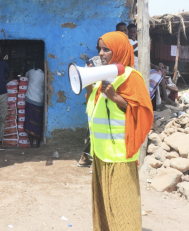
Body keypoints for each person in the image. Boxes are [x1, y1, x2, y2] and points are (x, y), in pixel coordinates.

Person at [88, 31, 153, 230]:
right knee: (104, 205)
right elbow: (92, 104)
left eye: (106, 49)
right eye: (99, 48)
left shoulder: (132, 77)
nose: (101, 53)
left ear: (120, 51)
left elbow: (142, 113)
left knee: (122, 206)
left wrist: (115, 97)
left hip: (120, 155)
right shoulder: (102, 75)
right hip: (100, 152)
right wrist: (90, 81)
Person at [24, 68, 45, 148]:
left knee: (29, 121)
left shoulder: (31, 72)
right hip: (39, 102)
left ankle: (31, 143)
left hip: (30, 100)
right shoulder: (44, 76)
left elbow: (25, 75)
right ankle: (38, 143)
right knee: (38, 122)